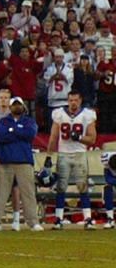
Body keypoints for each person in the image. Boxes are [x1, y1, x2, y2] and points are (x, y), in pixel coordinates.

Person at [0, 95, 40, 230]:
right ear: (10, 107)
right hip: (6, 161)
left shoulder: (29, 121)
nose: (16, 107)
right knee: (1, 194)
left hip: (24, 161)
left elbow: (30, 135)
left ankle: (33, 221)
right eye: (14, 105)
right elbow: (2, 136)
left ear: (23, 107)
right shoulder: (3, 121)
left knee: (28, 193)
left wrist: (13, 130)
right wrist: (19, 132)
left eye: (19, 104)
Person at [48, 90, 97, 221]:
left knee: (82, 186)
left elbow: (92, 139)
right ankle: (58, 219)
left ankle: (87, 218)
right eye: (70, 100)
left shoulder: (87, 115)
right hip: (63, 153)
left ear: (80, 100)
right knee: (61, 187)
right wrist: (49, 156)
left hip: (80, 153)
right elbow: (53, 137)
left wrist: (79, 137)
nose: (73, 103)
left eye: (75, 100)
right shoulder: (59, 114)